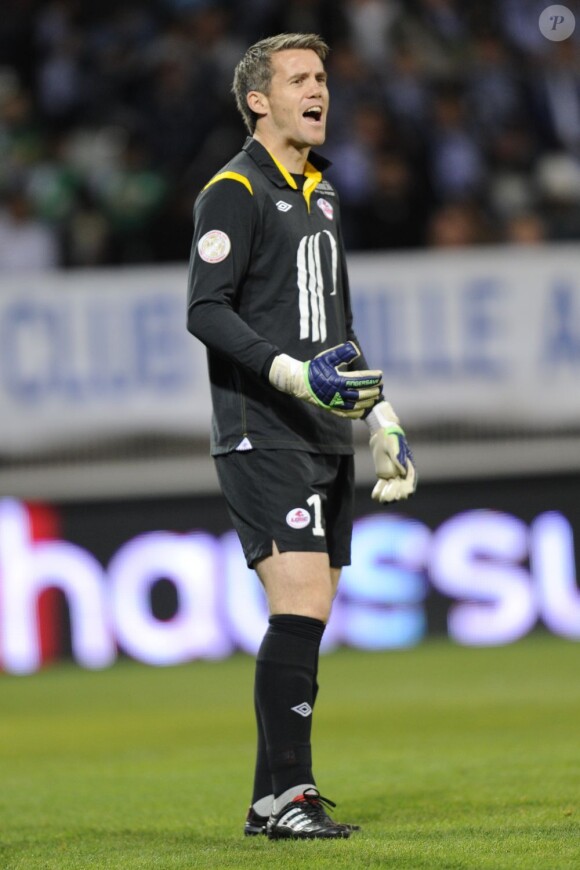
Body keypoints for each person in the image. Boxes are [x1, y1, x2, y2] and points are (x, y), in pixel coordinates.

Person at [187, 32, 416, 841]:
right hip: (262, 427)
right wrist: (288, 375)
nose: (319, 90)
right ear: (260, 100)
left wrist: (380, 417)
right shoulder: (234, 190)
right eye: (300, 79)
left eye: (322, 76)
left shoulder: (320, 193)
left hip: (325, 430)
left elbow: (337, 325)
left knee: (313, 609)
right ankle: (293, 798)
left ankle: (266, 799)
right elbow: (205, 308)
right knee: (303, 602)